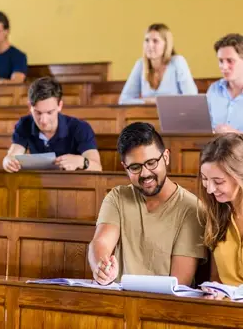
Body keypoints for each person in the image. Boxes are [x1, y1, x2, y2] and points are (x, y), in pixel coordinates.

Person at [88, 122, 205, 285]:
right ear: (125, 167)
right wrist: (102, 267)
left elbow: (179, 284)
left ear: (166, 157)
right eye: (135, 167)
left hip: (165, 304)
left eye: (151, 163)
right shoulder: (117, 197)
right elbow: (100, 242)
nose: (145, 173)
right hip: (120, 300)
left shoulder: (192, 209)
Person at [3, 77, 102, 172]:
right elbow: (13, 154)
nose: (43, 121)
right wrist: (8, 161)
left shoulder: (80, 128)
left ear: (60, 106)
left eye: (50, 112)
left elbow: (97, 167)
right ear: (30, 107)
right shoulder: (24, 124)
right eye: (38, 113)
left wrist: (81, 162)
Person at [199, 133, 243, 287]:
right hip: (227, 307)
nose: (210, 189)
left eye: (218, 181)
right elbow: (216, 279)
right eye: (205, 179)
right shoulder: (217, 213)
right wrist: (215, 291)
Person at [118, 23, 197, 104]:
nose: (150, 45)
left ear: (166, 45)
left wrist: (155, 101)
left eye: (155, 41)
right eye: (147, 40)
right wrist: (148, 102)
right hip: (147, 116)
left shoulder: (177, 62)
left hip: (175, 116)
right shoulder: (140, 64)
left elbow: (192, 98)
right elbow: (124, 100)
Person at [206, 34, 243, 134]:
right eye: (221, 61)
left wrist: (236, 134)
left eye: (230, 61)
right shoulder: (214, 89)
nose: (224, 67)